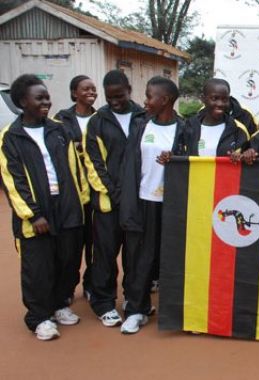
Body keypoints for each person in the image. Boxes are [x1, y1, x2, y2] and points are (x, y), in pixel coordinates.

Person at [0, 74, 88, 340]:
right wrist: (33, 214)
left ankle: (60, 304)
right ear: (21, 102)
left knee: (68, 260)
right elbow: (12, 181)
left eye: (47, 97)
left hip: (67, 206)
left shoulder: (59, 129)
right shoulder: (10, 137)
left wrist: (80, 201)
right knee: (38, 266)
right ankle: (39, 317)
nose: (46, 102)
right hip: (36, 211)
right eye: (39, 98)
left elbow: (75, 168)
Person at [118, 76, 185, 334]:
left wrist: (176, 158)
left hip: (173, 207)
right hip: (144, 202)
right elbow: (129, 166)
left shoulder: (186, 128)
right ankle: (137, 309)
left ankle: (174, 312)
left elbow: (193, 163)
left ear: (165, 100)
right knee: (139, 259)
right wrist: (127, 202)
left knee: (171, 260)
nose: (145, 101)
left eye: (149, 96)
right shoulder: (140, 126)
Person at [83, 69, 145, 327]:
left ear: (129, 90)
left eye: (119, 96)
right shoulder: (97, 121)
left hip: (138, 202)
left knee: (135, 255)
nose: (114, 102)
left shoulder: (144, 116)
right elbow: (93, 163)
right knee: (105, 255)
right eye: (109, 98)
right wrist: (115, 192)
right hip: (109, 203)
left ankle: (134, 302)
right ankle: (103, 302)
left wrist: (134, 194)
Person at [54, 75, 97, 302]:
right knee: (70, 244)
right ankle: (68, 287)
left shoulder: (101, 118)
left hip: (96, 189)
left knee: (94, 242)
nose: (91, 92)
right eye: (85, 89)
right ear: (74, 93)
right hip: (72, 192)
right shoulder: (60, 121)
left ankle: (91, 284)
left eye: (93, 89)